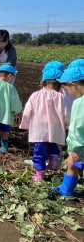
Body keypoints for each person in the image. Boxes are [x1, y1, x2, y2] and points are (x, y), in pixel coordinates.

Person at [20, 68, 69, 181]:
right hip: (56, 128)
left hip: (39, 129)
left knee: (39, 152)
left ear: (43, 82)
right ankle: (53, 163)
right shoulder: (62, 97)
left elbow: (27, 112)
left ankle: (40, 174)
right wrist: (66, 126)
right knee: (54, 146)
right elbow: (67, 114)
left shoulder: (35, 95)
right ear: (59, 84)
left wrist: (26, 125)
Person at [50, 60, 84, 196]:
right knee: (71, 163)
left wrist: (74, 148)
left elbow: (77, 127)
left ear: (73, 85)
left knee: (72, 162)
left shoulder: (79, 103)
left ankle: (66, 191)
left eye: (67, 89)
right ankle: (66, 190)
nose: (68, 93)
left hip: (81, 145)